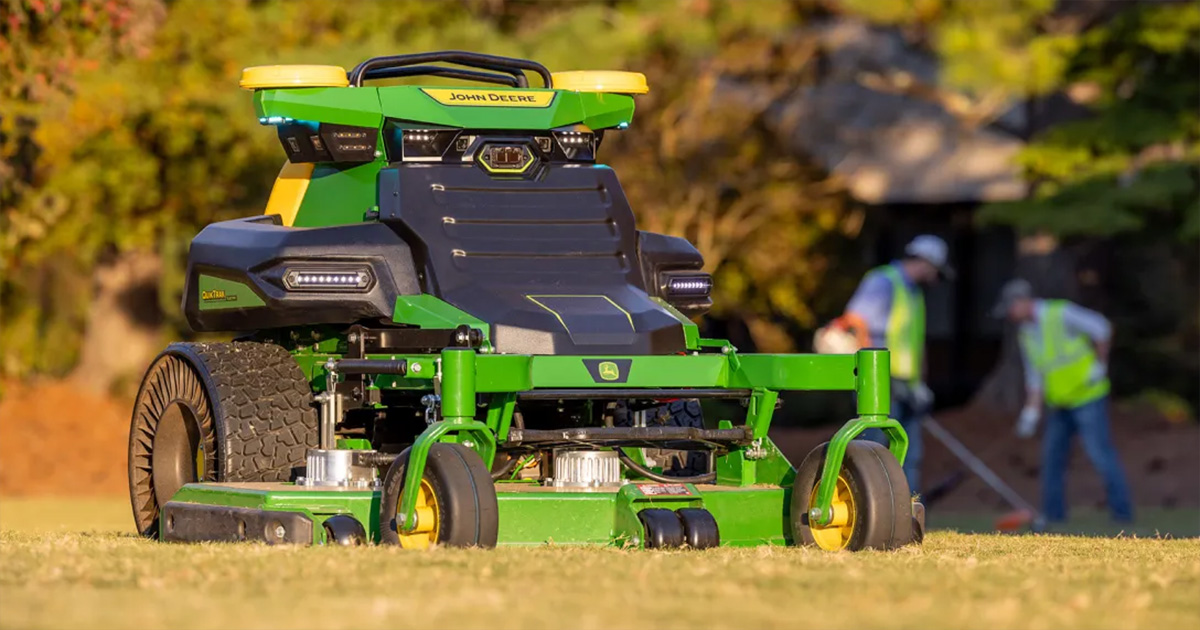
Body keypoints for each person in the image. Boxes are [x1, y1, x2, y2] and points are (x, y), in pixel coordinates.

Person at [993, 279, 1133, 524]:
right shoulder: (1025, 332)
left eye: (1011, 308)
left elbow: (1102, 329)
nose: (1010, 315)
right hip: (1058, 403)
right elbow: (1035, 373)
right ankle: (1053, 517)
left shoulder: (1060, 313)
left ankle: (1122, 514)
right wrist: (1031, 411)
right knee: (1051, 459)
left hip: (1088, 396)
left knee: (1100, 455)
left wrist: (1100, 365)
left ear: (1024, 301)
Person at [834, 234, 954, 493]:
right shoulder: (883, 281)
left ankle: (906, 513)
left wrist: (920, 384)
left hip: (906, 387)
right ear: (925, 262)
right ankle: (869, 511)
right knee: (873, 452)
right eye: (935, 269)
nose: (936, 277)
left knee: (910, 453)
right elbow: (854, 322)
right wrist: (877, 375)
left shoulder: (914, 294)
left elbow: (915, 343)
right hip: (880, 383)